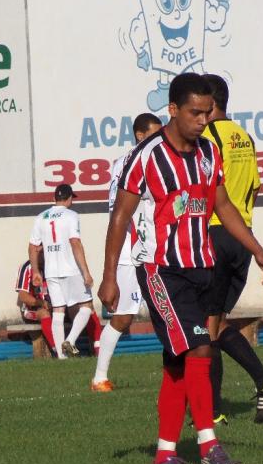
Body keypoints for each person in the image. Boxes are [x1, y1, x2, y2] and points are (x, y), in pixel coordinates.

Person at [98, 73, 263, 464]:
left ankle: (165, 453)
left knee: (177, 363)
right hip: (161, 270)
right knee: (200, 346)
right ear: (173, 110)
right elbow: (120, 216)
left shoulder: (209, 152)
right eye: (195, 112)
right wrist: (109, 277)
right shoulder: (146, 156)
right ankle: (209, 445)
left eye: (208, 112)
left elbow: (223, 207)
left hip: (201, 267)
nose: (203, 120)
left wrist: (259, 251)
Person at [202, 74, 263, 424]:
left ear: (209, 104)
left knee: (205, 328)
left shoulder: (209, 137)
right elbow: (254, 188)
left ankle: (213, 411)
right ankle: (214, 407)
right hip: (243, 238)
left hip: (215, 233)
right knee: (215, 323)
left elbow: (209, 191)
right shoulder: (245, 137)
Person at [91, 113, 163, 392]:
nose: (160, 139)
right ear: (140, 135)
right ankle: (99, 377)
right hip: (132, 249)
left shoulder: (124, 162)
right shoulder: (138, 162)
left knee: (161, 310)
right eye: (155, 134)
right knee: (123, 316)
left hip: (144, 246)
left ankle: (176, 369)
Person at [28, 184, 96, 359]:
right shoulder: (71, 215)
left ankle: (61, 356)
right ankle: (70, 341)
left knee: (58, 310)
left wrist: (36, 271)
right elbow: (75, 243)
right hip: (71, 269)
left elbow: (33, 246)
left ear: (54, 198)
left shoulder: (41, 217)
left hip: (51, 271)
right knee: (87, 307)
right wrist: (86, 272)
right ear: (69, 198)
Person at [15, 258, 56, 355]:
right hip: (32, 310)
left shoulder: (56, 262)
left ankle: (95, 350)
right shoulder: (27, 267)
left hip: (56, 307)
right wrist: (41, 303)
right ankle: (58, 351)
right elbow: (23, 296)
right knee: (44, 313)